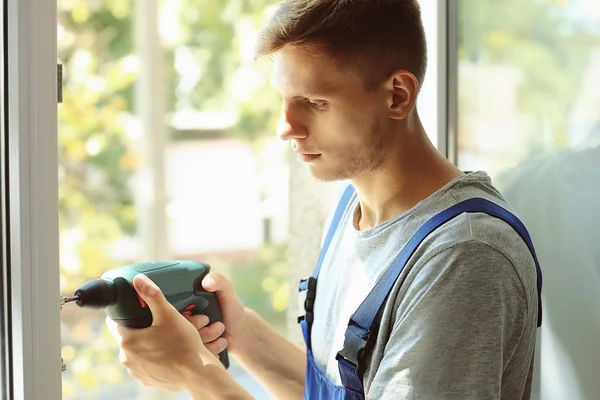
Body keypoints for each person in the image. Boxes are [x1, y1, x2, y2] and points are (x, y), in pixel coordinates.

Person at [108, 1, 542, 399]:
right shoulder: (352, 209)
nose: (286, 126)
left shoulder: (464, 257)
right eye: (284, 99)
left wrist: (197, 376)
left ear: (397, 95)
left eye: (314, 102)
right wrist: (240, 332)